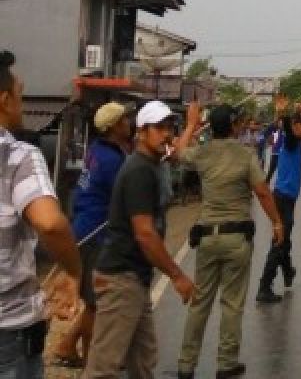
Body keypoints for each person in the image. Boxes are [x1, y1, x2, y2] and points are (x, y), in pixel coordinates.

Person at [82, 101, 198, 379]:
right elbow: (144, 233)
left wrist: (191, 126)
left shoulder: (150, 163)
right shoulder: (139, 171)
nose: (166, 134)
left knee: (143, 358)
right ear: (142, 132)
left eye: (170, 127)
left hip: (135, 276)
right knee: (104, 367)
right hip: (121, 277)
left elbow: (175, 153)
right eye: (159, 128)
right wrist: (177, 275)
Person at [176, 104, 284, 379]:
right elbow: (262, 191)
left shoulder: (202, 153)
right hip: (237, 238)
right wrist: (276, 222)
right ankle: (226, 363)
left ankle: (186, 364)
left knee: (200, 302)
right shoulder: (246, 155)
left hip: (207, 237)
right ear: (235, 126)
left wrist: (190, 125)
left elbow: (177, 152)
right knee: (232, 303)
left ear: (211, 127)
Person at [0, 50, 82, 379]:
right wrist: (72, 270)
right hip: (8, 332)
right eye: (20, 94)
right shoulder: (17, 155)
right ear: (4, 100)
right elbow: (49, 222)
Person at [49, 103, 131, 369]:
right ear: (116, 126)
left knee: (93, 301)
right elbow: (125, 200)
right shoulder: (112, 161)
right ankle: (88, 358)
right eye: (125, 119)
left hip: (82, 229)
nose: (129, 123)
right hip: (96, 235)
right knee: (98, 303)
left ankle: (71, 346)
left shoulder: (96, 151)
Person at [256, 112, 301, 304]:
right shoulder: (291, 141)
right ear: (294, 125)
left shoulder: (300, 142)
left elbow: (277, 161)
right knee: (279, 242)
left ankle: (288, 271)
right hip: (283, 199)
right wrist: (285, 114)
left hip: (288, 199)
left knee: (284, 241)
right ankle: (264, 287)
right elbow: (287, 129)